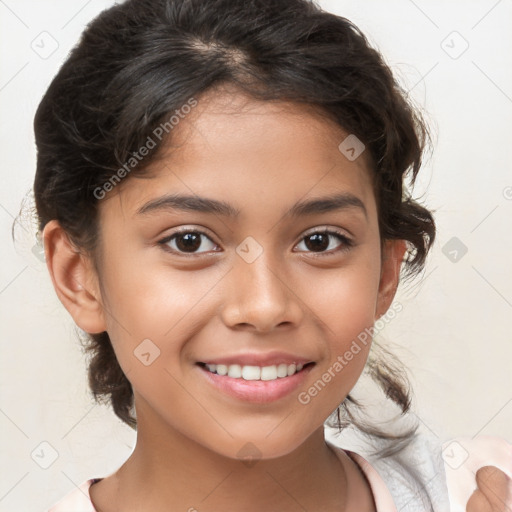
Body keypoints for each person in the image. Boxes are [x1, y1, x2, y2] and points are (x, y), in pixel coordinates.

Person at [30, 0, 510, 510]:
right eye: (189, 240)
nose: (264, 306)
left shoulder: (483, 490)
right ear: (79, 276)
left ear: (385, 274)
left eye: (320, 241)